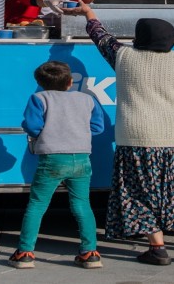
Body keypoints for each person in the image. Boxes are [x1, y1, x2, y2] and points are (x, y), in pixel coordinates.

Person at [63, 1, 174, 266]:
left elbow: (101, 37)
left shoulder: (124, 57)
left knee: (140, 193)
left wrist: (88, 12)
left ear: (139, 38)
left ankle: (158, 249)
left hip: (139, 138)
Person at [8, 61, 106, 270]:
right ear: (71, 82)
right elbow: (97, 127)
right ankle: (90, 253)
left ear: (40, 83)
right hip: (81, 158)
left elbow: (33, 127)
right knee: (82, 205)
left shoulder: (39, 98)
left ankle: (25, 253)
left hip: (51, 159)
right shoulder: (87, 100)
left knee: (37, 205)